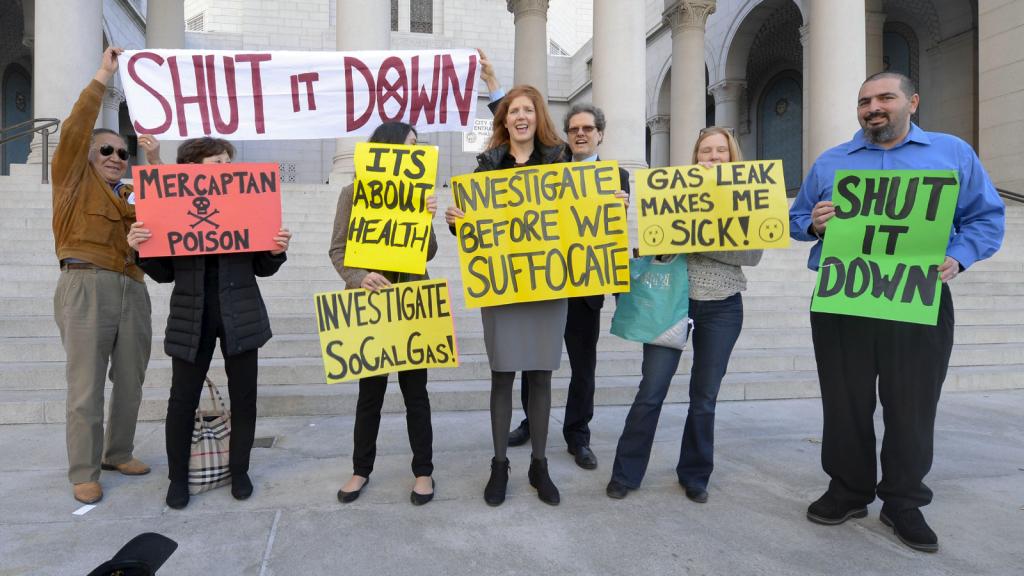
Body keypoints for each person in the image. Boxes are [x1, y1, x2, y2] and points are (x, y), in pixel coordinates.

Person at [789, 71, 1005, 553]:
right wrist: (815, 223)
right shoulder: (832, 162)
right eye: (865, 100)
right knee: (844, 401)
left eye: (885, 97)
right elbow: (796, 219)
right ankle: (847, 490)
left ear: (913, 102)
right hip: (843, 300)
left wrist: (960, 255)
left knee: (912, 404)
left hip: (918, 299)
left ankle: (904, 501)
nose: (873, 107)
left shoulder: (952, 154)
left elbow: (986, 217)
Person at [127, 137, 292, 509]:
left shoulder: (248, 207)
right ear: (191, 168)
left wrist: (275, 251)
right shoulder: (172, 210)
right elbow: (165, 272)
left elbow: (263, 268)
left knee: (244, 398)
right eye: (215, 160)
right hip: (192, 316)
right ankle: (177, 479)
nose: (222, 166)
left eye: (225, 160)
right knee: (181, 400)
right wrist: (140, 249)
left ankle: (240, 470)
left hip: (241, 313)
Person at [605, 126, 761, 502]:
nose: (712, 157)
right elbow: (658, 248)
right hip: (669, 302)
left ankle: (695, 475)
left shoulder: (748, 197)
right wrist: (659, 246)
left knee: (704, 397)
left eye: (720, 151)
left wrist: (694, 239)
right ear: (696, 158)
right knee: (651, 391)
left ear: (732, 155)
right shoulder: (673, 193)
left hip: (722, 306)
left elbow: (752, 255)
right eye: (705, 151)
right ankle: (626, 473)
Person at [445, 85, 570, 506]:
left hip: (548, 284)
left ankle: (539, 464)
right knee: (502, 374)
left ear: (538, 118)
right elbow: (473, 231)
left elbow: (579, 214)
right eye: (513, 110)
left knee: (541, 375)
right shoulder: (486, 168)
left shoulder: (561, 160)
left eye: (528, 110)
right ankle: (500, 465)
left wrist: (610, 201)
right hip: (502, 284)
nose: (520, 116)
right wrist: (456, 221)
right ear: (504, 120)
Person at [52, 47, 159, 504]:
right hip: (86, 283)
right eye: (107, 150)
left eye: (123, 151)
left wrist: (152, 161)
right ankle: (84, 469)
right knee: (87, 382)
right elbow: (77, 130)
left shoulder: (134, 193)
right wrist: (102, 76)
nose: (117, 156)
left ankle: (119, 452)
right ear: (90, 155)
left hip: (132, 286)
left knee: (131, 378)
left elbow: (170, 214)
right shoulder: (73, 179)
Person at [511, 104, 631, 470]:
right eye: (574, 128)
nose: (581, 133)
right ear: (567, 134)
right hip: (545, 283)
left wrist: (619, 208)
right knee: (534, 363)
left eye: (588, 128)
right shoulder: (547, 172)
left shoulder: (617, 177)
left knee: (584, 368)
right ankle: (531, 423)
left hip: (586, 288)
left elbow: (611, 234)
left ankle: (578, 436)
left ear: (600, 134)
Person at [329, 122, 439, 506]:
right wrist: (360, 278)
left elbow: (428, 253)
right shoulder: (352, 193)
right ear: (388, 148)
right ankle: (361, 470)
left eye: (418, 146)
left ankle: (423, 473)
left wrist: (425, 219)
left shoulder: (419, 193)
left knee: (416, 395)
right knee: (369, 396)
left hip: (411, 302)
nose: (415, 151)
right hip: (368, 306)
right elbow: (338, 250)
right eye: (410, 144)